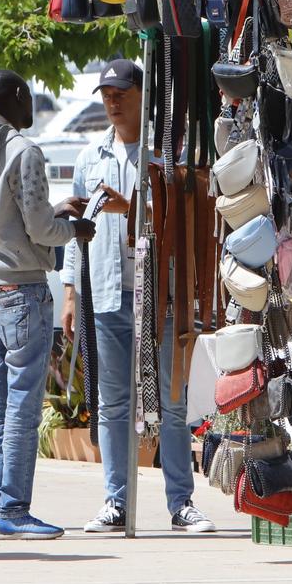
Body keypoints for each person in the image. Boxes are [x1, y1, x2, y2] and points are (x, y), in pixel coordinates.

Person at [65, 60, 215, 534]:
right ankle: (116, 500)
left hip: (161, 295)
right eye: (106, 93)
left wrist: (131, 207)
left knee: (171, 402)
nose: (111, 101)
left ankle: (180, 503)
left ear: (141, 94)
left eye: (120, 92)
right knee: (111, 404)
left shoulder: (166, 155)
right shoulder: (92, 158)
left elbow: (192, 212)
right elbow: (75, 232)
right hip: (109, 294)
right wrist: (71, 293)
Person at [0, 69, 93, 541]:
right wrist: (74, 229)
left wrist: (54, 212)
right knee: (23, 404)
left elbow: (2, 220)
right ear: (16, 96)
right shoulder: (25, 152)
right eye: (29, 93)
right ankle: (13, 509)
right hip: (24, 289)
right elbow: (37, 231)